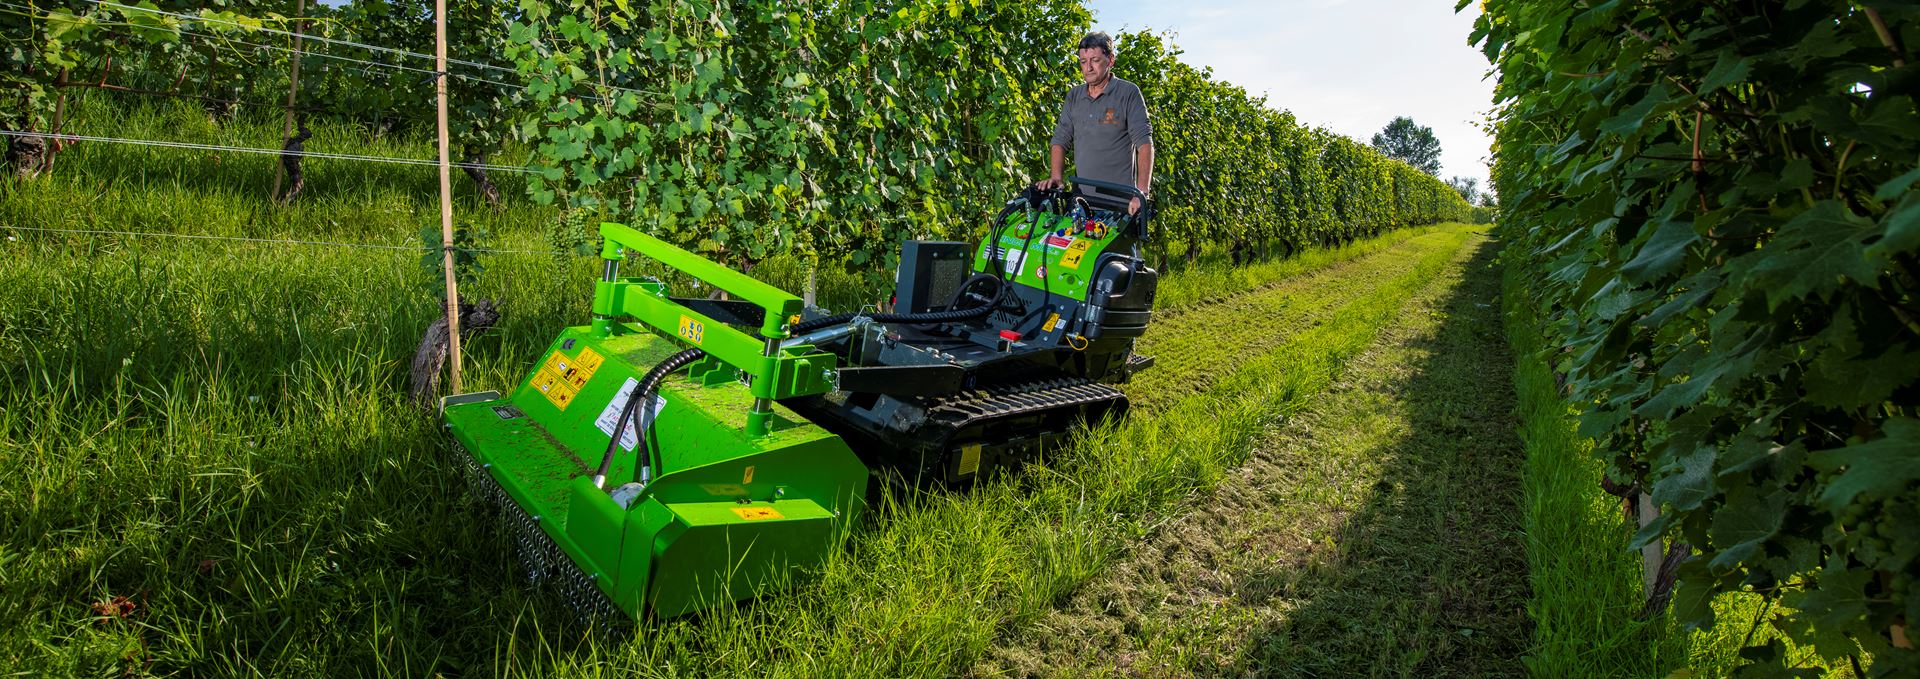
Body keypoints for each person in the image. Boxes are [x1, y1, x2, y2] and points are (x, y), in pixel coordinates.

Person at [1036, 32, 1155, 215]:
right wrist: (1056, 178)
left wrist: (1141, 192)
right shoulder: (1074, 96)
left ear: (1110, 60)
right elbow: (1060, 139)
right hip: (1082, 203)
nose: (1088, 68)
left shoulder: (1128, 93)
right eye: (1083, 62)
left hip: (1121, 204)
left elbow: (1144, 144)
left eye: (1095, 60)